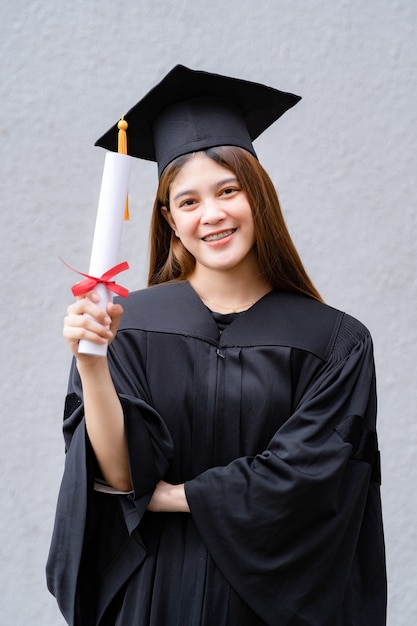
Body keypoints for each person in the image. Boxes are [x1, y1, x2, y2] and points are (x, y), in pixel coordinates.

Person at [46, 65, 386, 626]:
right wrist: (92, 365)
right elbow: (122, 476)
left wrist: (179, 497)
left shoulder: (336, 342)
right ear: (169, 220)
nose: (213, 215)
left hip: (266, 606)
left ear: (258, 195)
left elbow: (312, 478)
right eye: (188, 202)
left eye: (228, 190)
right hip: (153, 601)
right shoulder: (125, 323)